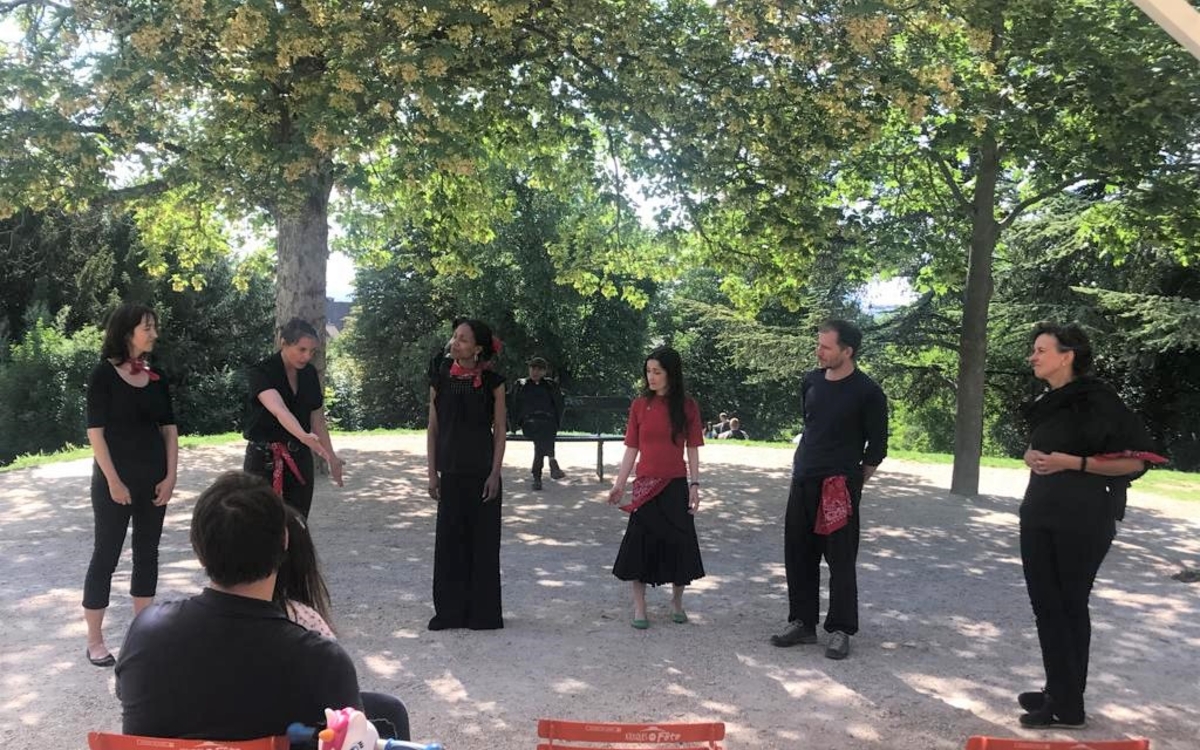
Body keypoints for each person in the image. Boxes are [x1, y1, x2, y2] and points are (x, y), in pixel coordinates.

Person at [116, 471, 410, 741]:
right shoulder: (321, 661)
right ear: (285, 541)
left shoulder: (146, 632)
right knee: (386, 714)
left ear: (198, 548)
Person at [1016, 322, 1157, 729]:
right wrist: (1033, 455)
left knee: (1065, 605)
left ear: (1067, 356)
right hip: (1041, 511)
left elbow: (1137, 461)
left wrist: (1072, 463)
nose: (1033, 356)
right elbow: (1044, 447)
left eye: (1041, 349)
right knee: (1049, 607)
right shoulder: (1051, 400)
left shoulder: (1099, 400)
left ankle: (1066, 705)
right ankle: (1061, 692)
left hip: (1083, 518)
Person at [771, 319, 887, 660]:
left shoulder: (868, 392)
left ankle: (840, 629)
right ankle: (803, 623)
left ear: (847, 351)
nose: (818, 351)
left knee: (840, 559)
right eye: (818, 344)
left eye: (826, 346)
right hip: (803, 478)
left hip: (839, 486)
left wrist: (852, 483)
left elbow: (876, 448)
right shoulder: (811, 381)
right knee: (798, 553)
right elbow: (810, 426)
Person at [82, 303, 178, 668]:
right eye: (147, 327)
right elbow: (96, 434)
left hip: (154, 480)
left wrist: (171, 476)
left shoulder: (157, 376)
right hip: (114, 483)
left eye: (154, 326)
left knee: (147, 553)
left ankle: (142, 636)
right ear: (127, 332)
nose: (154, 333)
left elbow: (169, 430)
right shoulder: (102, 375)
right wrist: (113, 481)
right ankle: (95, 640)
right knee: (105, 555)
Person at [273, 505, 411, 740]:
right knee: (390, 712)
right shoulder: (303, 619)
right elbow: (339, 687)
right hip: (300, 726)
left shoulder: (197, 619)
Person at [607, 346, 706, 629]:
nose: (651, 377)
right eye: (648, 371)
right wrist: (619, 484)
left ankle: (676, 602)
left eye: (657, 372)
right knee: (638, 544)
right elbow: (631, 448)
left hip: (675, 484)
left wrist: (694, 484)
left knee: (679, 543)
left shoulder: (687, 406)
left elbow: (693, 447)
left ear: (671, 374)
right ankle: (640, 607)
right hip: (645, 486)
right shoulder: (639, 405)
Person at [426, 318, 507, 630]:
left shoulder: (494, 382)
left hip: (482, 472)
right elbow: (432, 428)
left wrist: (495, 473)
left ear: (478, 348)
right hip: (450, 471)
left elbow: (500, 430)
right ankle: (449, 612)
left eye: (462, 339)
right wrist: (432, 473)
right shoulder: (440, 377)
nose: (455, 343)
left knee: (483, 545)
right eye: (455, 337)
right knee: (449, 544)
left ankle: (482, 613)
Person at [243, 318, 343, 519]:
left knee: (298, 523)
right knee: (261, 526)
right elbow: (279, 410)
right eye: (302, 349)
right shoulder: (261, 372)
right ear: (284, 343)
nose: (307, 356)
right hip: (263, 459)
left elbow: (317, 420)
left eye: (312, 351)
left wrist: (331, 457)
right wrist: (303, 435)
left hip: (299, 458)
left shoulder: (309, 374)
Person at [512, 355, 566, 490]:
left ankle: (537, 478)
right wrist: (513, 424)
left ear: (544, 372)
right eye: (532, 368)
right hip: (529, 423)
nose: (535, 372)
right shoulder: (521, 384)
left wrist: (556, 421)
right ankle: (552, 460)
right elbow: (512, 404)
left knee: (544, 432)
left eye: (539, 369)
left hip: (547, 423)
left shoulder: (550, 385)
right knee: (543, 430)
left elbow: (559, 404)